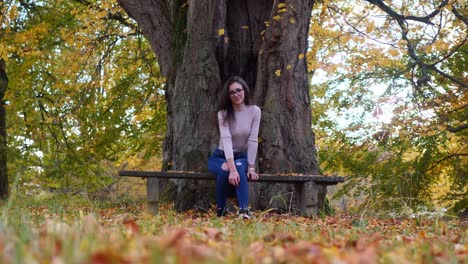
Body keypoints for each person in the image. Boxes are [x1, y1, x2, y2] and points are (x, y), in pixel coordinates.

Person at [208, 76, 261, 219]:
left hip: (240, 156)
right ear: (228, 95)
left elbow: (253, 139)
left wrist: (251, 167)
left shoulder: (255, 111)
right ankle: (221, 210)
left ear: (245, 90)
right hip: (220, 156)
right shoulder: (223, 114)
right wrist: (231, 169)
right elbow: (226, 140)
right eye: (232, 92)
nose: (236, 94)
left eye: (239, 90)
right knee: (225, 169)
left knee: (238, 167)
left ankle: (244, 211)